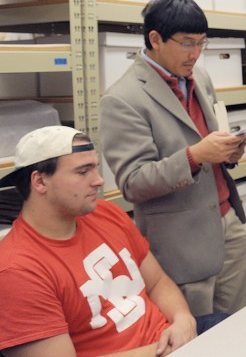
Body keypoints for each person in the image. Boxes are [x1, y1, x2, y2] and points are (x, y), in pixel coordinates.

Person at [0, 126, 224, 357]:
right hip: (161, 350)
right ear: (39, 182)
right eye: (82, 171)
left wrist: (183, 319)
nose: (98, 181)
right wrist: (165, 350)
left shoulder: (105, 213)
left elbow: (157, 282)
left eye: (96, 168)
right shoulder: (17, 270)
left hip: (169, 340)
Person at [99, 0, 246, 317]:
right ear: (155, 39)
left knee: (240, 328)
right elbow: (133, 183)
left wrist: (228, 152)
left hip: (228, 223)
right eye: (186, 43)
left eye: (201, 43)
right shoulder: (122, 98)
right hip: (180, 243)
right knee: (195, 341)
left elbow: (208, 137)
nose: (195, 54)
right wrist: (195, 155)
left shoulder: (201, 78)